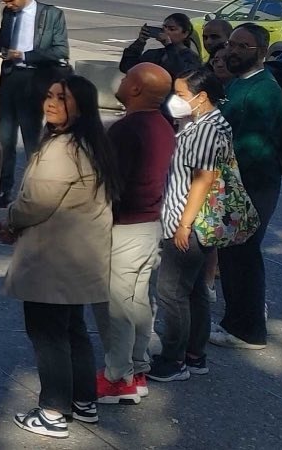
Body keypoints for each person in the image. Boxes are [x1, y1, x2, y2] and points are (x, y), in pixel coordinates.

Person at [0, 75, 121, 439]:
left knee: (48, 333)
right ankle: (84, 400)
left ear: (80, 106)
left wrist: (11, 220)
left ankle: (52, 410)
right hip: (80, 257)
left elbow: (37, 201)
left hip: (55, 258)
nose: (51, 103)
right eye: (49, 96)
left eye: (62, 99)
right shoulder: (90, 144)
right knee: (73, 329)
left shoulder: (62, 148)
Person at [91, 63, 175, 405]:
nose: (121, 81)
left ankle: (117, 377)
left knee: (117, 306)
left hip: (123, 227)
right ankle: (138, 367)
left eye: (127, 78)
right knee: (137, 301)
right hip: (148, 224)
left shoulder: (126, 129)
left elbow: (109, 184)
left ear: (137, 88)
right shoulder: (163, 125)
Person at [148, 70, 235, 383]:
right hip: (196, 222)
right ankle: (194, 354)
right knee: (194, 289)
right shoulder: (202, 124)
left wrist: (184, 224)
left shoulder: (207, 130)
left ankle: (174, 360)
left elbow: (204, 178)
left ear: (202, 97)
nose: (175, 100)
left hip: (188, 223)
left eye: (181, 95)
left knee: (171, 294)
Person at [212, 23, 282, 352]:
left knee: (243, 256)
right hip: (234, 183)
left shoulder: (263, 89)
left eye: (244, 46)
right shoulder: (241, 84)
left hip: (251, 185)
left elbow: (252, 146)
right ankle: (237, 320)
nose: (233, 50)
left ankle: (248, 330)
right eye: (231, 44)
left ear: (262, 52)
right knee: (232, 256)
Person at [0, 0, 70, 206]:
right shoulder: (9, 13)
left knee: (31, 139)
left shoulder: (51, 15)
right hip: (10, 77)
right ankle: (4, 191)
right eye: (5, 2)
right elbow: (4, 39)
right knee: (6, 138)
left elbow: (61, 51)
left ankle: (33, 192)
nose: (8, 5)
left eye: (11, 0)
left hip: (35, 79)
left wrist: (24, 55)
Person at [120, 13, 203, 78]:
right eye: (164, 28)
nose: (166, 32)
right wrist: (140, 42)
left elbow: (180, 72)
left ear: (185, 33)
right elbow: (127, 67)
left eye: (172, 29)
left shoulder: (191, 57)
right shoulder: (154, 54)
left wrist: (169, 46)